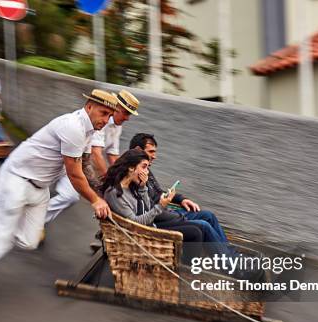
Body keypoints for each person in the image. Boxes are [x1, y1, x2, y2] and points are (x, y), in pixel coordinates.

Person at [0, 89, 118, 300]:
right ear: (89, 106)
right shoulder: (73, 127)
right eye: (103, 112)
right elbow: (74, 174)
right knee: (2, 236)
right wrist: (95, 200)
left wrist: (105, 191)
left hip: (39, 186)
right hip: (16, 179)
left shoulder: (90, 131)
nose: (106, 119)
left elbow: (86, 165)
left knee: (29, 241)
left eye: (110, 115)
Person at [102, 149, 264, 281]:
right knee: (201, 227)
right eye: (144, 167)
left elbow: (145, 207)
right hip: (145, 233)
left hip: (152, 224)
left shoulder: (134, 185)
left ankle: (230, 261)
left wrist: (144, 189)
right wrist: (161, 206)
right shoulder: (115, 194)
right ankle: (232, 271)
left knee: (202, 224)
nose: (147, 171)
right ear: (131, 168)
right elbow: (136, 224)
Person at [44, 90, 140, 224]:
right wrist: (108, 180)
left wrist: (122, 176)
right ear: (118, 108)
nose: (127, 118)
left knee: (70, 197)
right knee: (68, 196)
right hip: (71, 163)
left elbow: (113, 155)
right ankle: (37, 221)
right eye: (126, 113)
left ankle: (38, 221)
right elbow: (96, 154)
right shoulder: (98, 123)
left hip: (77, 164)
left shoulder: (116, 127)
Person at [128, 133, 231, 246]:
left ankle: (229, 254)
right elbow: (148, 210)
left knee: (209, 216)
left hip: (167, 213)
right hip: (159, 221)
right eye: (151, 151)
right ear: (138, 150)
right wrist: (179, 217)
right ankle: (225, 261)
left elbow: (158, 192)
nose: (154, 156)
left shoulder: (146, 170)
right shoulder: (135, 175)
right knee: (203, 225)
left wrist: (181, 199)